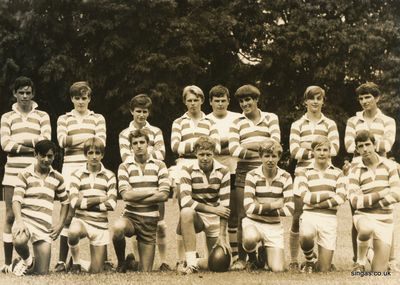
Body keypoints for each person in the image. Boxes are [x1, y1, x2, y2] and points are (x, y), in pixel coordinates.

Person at [0, 76, 51, 273]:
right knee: (10, 216)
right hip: (12, 173)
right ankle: (6, 262)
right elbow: (5, 145)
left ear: (33, 94)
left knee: (34, 212)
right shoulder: (6, 117)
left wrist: (19, 145)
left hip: (34, 173)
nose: (24, 96)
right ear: (14, 94)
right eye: (20, 92)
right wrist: (33, 147)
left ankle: (27, 259)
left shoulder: (42, 116)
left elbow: (45, 142)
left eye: (28, 92)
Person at [344, 82, 397, 270]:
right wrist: (372, 144)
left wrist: (365, 144)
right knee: (358, 215)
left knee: (385, 211)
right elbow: (350, 146)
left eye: (368, 97)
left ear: (377, 98)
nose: (364, 101)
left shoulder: (388, 121)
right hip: (358, 167)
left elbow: (388, 145)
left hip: (382, 167)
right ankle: (357, 259)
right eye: (361, 98)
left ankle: (389, 259)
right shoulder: (353, 121)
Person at [56, 81, 107, 272]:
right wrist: (89, 139)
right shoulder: (64, 118)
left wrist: (78, 140)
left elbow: (101, 143)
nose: (80, 102)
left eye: (84, 98)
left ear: (89, 99)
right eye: (76, 98)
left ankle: (105, 260)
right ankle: (62, 261)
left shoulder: (98, 118)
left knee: (97, 209)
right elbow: (62, 141)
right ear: (72, 99)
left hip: (93, 166)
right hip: (70, 168)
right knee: (70, 213)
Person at [229, 84, 280, 270]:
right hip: (244, 172)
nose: (245, 104)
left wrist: (249, 146)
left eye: (248, 100)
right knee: (244, 214)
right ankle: (244, 258)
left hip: (268, 172)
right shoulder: (236, 122)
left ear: (256, 100)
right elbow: (234, 149)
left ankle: (265, 253)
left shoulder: (271, 118)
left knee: (268, 210)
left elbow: (275, 144)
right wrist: (262, 149)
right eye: (241, 101)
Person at [288, 86, 339, 270]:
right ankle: (294, 259)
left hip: (325, 175)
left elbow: (334, 149)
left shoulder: (330, 124)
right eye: (312, 99)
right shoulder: (297, 125)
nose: (315, 102)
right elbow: (294, 151)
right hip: (303, 173)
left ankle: (324, 258)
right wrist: (318, 152)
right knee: (298, 216)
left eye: (319, 98)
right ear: (305, 102)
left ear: (323, 101)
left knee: (324, 213)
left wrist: (309, 150)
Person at [170, 85, 220, 266]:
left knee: (208, 204)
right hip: (184, 165)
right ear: (185, 102)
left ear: (201, 101)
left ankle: (210, 256)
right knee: (185, 210)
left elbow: (217, 147)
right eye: (189, 100)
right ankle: (182, 258)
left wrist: (196, 146)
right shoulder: (178, 122)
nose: (193, 103)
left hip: (206, 164)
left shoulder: (210, 122)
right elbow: (175, 147)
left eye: (196, 99)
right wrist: (201, 144)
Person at [119, 94, 170, 271]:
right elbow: (126, 157)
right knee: (133, 219)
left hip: (153, 176)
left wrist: (149, 160)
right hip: (134, 177)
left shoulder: (156, 131)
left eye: (145, 111)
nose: (141, 115)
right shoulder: (124, 134)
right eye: (138, 111)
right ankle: (136, 259)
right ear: (132, 111)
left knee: (160, 224)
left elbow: (161, 154)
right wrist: (151, 192)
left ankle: (163, 262)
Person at [11, 140, 69, 276]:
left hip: (44, 228)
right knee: (19, 241)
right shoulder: (24, 174)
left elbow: (65, 202)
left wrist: (60, 225)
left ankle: (21, 263)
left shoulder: (58, 178)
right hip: (26, 222)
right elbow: (16, 200)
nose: (46, 159)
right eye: (42, 155)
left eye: (50, 156)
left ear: (54, 156)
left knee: (41, 273)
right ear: (35, 154)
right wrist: (19, 221)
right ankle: (28, 260)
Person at [348, 130, 400, 272]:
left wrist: (370, 202)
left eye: (367, 145)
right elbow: (354, 201)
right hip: (364, 216)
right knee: (366, 229)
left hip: (385, 220)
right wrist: (381, 194)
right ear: (357, 150)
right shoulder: (355, 170)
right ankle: (360, 262)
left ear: (374, 145)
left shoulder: (390, 166)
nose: (365, 149)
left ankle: (369, 253)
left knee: (379, 272)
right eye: (360, 146)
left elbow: (396, 194)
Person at [177, 136, 230, 275]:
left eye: (208, 154)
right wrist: (213, 209)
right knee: (186, 212)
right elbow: (186, 201)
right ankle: (191, 263)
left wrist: (222, 235)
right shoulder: (186, 169)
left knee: (218, 264)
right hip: (197, 215)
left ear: (214, 153)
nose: (205, 158)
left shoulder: (224, 171)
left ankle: (194, 261)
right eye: (201, 154)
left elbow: (225, 206)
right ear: (195, 153)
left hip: (215, 217)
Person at [295, 136, 346, 273]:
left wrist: (318, 204)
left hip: (329, 218)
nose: (322, 153)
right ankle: (309, 261)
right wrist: (329, 194)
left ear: (330, 152)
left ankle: (322, 262)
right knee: (306, 234)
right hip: (310, 215)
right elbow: (305, 196)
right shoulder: (304, 172)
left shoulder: (338, 173)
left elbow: (341, 198)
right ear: (313, 152)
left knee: (324, 270)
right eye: (318, 150)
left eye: (325, 150)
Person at [242, 139, 294, 272]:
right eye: (266, 156)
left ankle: (264, 253)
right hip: (253, 222)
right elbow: (248, 207)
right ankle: (252, 258)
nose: (270, 160)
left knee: (277, 269)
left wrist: (260, 206)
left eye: (273, 156)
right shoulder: (252, 175)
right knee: (249, 237)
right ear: (260, 157)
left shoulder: (286, 176)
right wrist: (275, 205)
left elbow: (290, 209)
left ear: (279, 157)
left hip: (273, 226)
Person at [68, 137, 117, 273]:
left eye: (97, 153)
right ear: (85, 154)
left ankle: (80, 262)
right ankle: (76, 263)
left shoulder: (110, 175)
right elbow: (74, 202)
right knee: (72, 232)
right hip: (82, 221)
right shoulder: (76, 174)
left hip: (100, 225)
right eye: (90, 153)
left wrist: (84, 201)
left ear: (102, 154)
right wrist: (101, 198)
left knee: (96, 271)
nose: (94, 156)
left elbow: (112, 204)